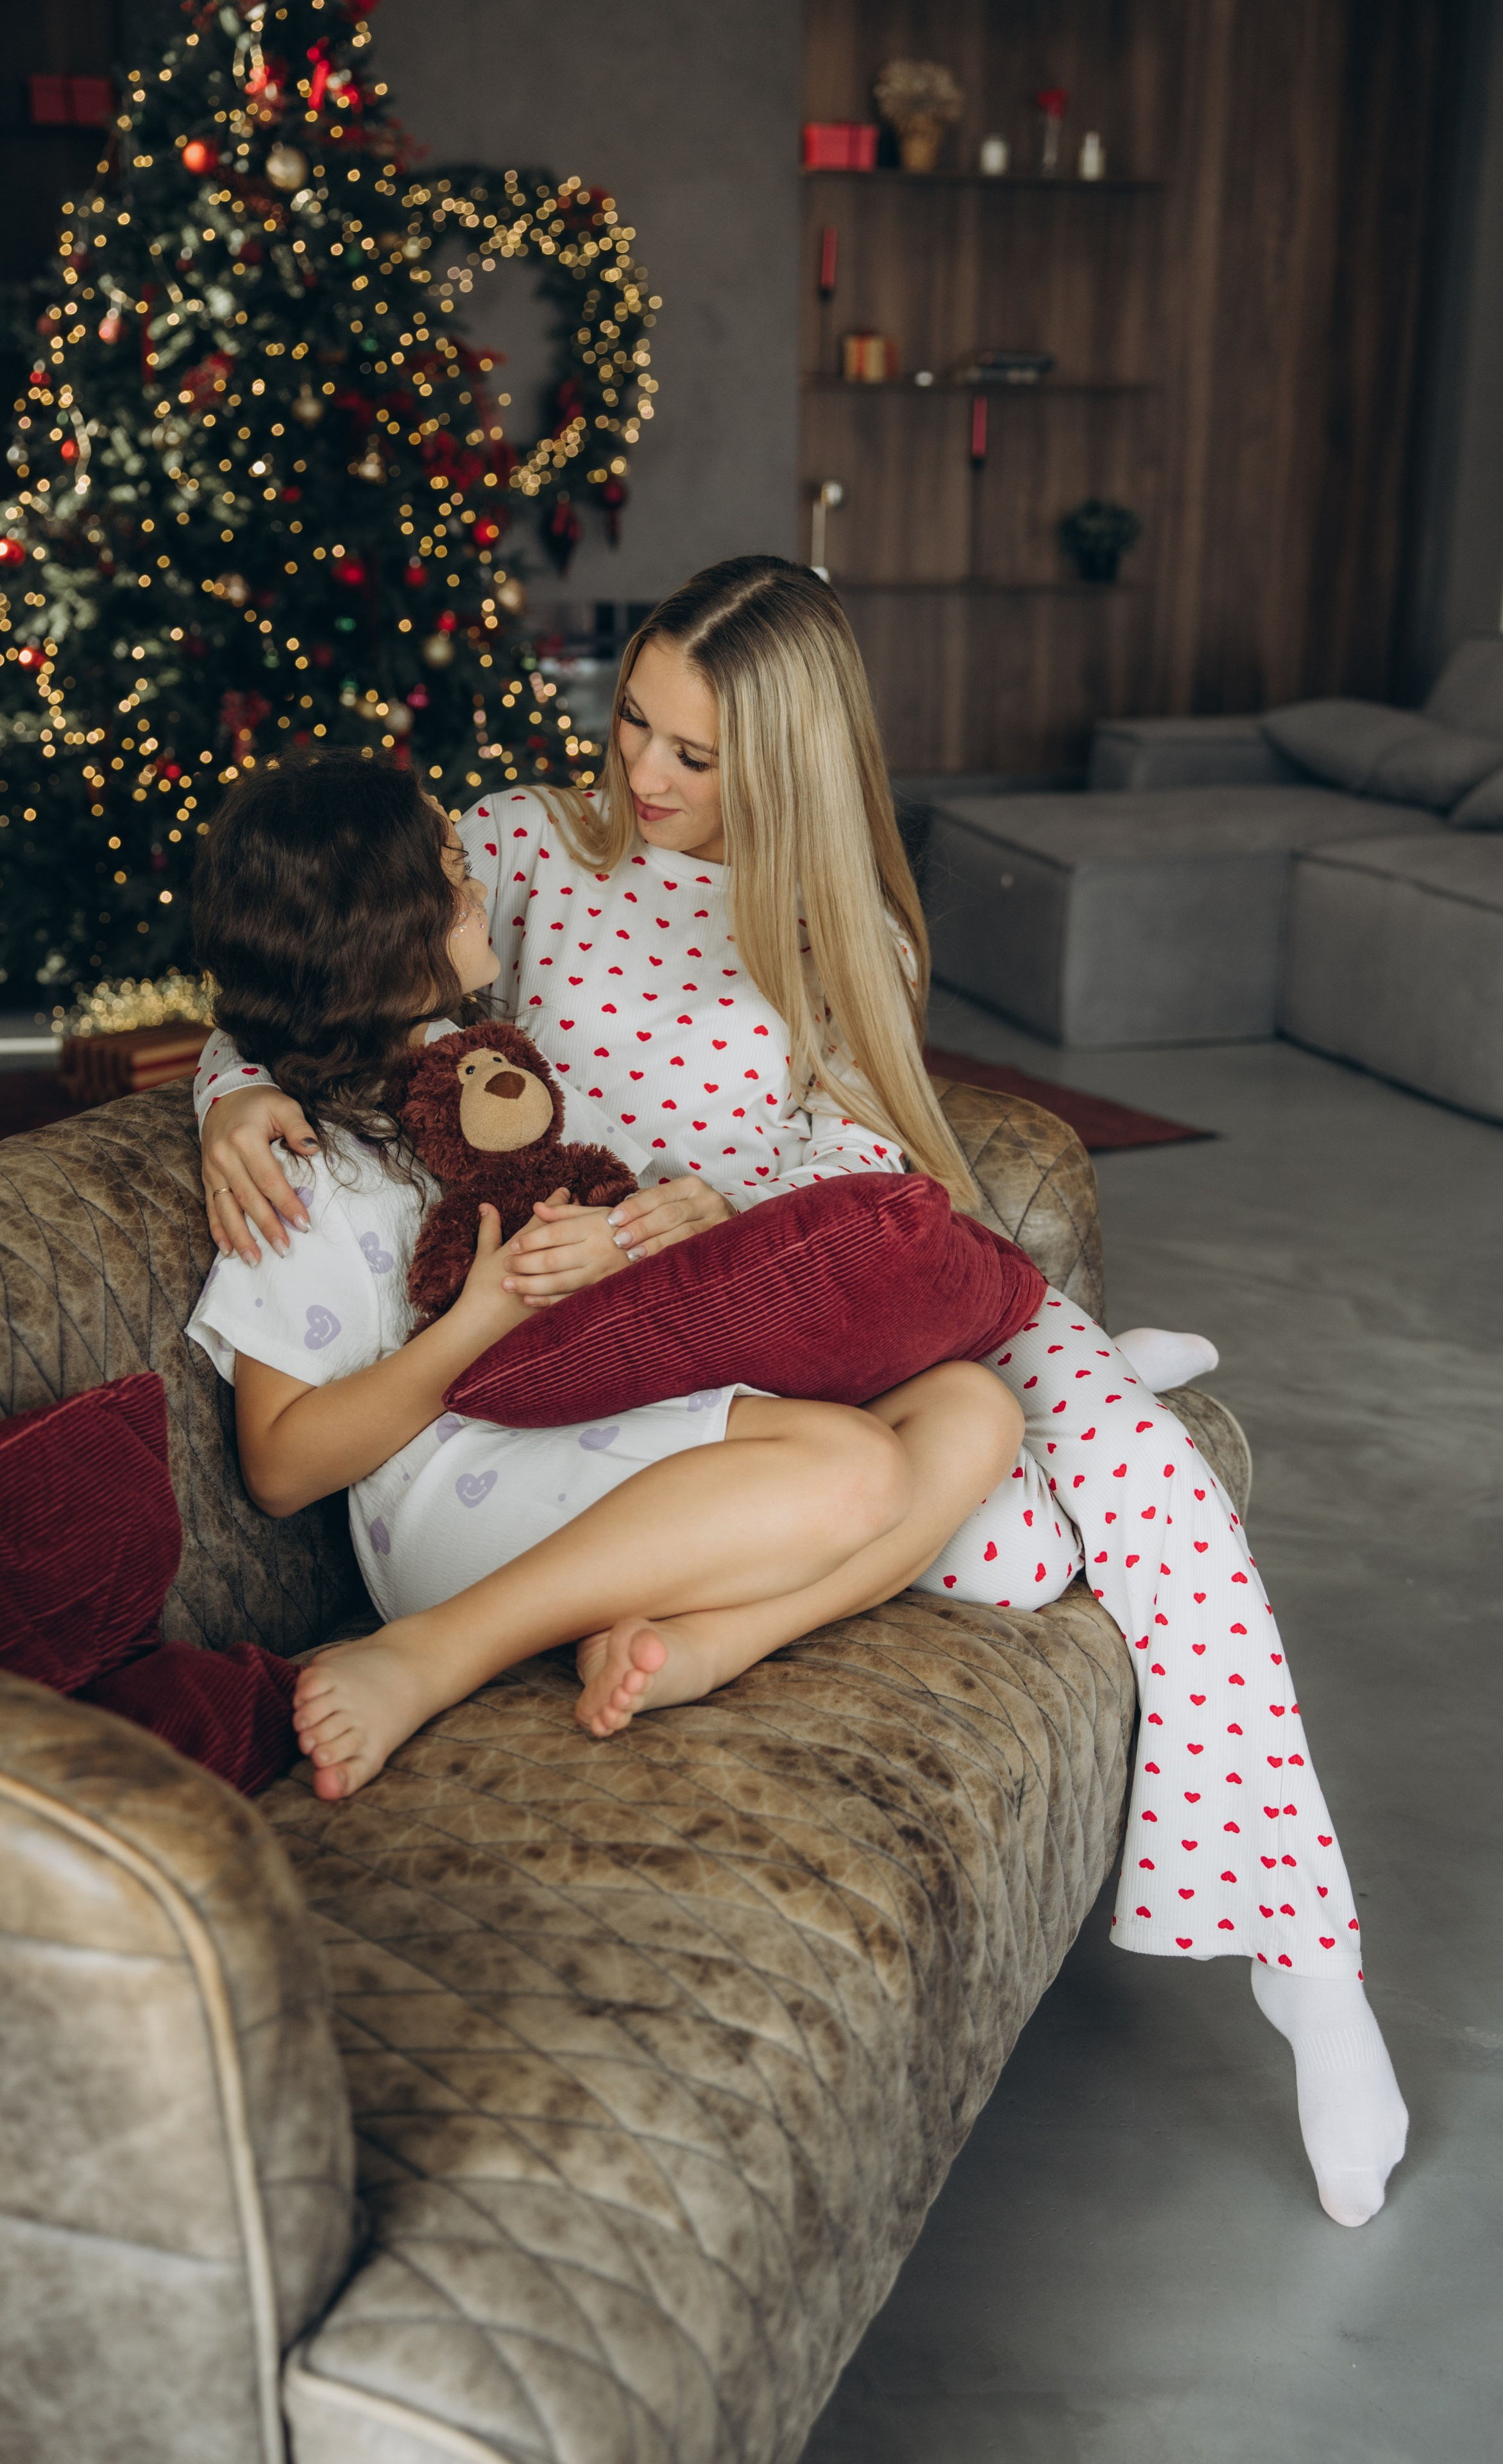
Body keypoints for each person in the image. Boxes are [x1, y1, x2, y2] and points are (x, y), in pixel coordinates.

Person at [195, 557, 1407, 2227]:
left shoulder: (850, 930)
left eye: (696, 755)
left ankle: (1308, 1951)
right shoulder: (528, 849)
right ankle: (1045, 1396)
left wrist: (730, 1215)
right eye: (633, 724)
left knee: (1064, 1498)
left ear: (790, 765)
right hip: (568, 1338)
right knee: (993, 1517)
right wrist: (225, 1093)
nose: (645, 777)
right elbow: (323, 966)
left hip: (769, 1305)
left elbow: (859, 1174)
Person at [184, 751, 1026, 1805]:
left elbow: (575, 1231)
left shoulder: (475, 1064)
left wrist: (657, 1234)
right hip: (449, 1493)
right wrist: (477, 1320)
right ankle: (439, 1652)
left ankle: (708, 1645)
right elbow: (278, 1465)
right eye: (452, 873)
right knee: (857, 1467)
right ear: (380, 936)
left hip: (557, 1411)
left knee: (974, 1407)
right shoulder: (298, 1165)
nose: (480, 883)